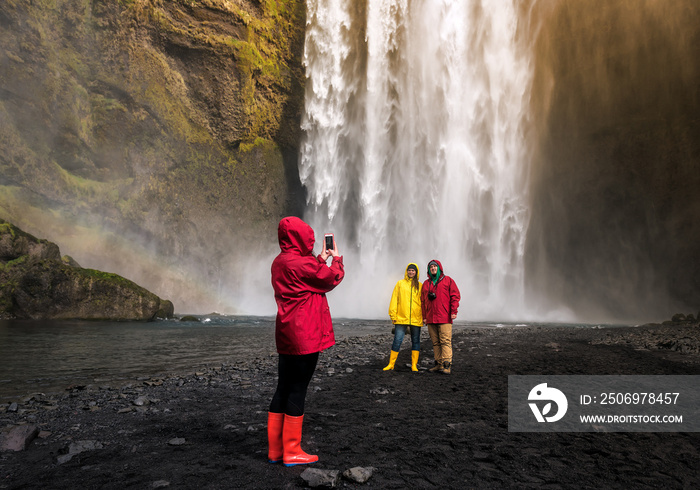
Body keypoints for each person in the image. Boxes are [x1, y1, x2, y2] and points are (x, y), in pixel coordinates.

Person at [267, 216, 344, 466]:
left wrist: (319, 258)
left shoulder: (280, 262)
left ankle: (276, 450)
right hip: (306, 334)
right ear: (300, 237)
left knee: (283, 387)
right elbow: (329, 278)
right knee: (299, 388)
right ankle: (292, 451)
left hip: (287, 333)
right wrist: (337, 259)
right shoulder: (301, 265)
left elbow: (308, 275)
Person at [421, 259, 460, 375]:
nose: (433, 268)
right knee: (435, 342)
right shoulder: (426, 284)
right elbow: (422, 301)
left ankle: (447, 365)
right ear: (428, 270)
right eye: (431, 267)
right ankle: (439, 364)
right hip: (431, 317)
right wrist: (424, 316)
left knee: (445, 341)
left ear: (439, 268)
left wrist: (454, 311)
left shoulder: (448, 280)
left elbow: (455, 296)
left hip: (444, 317)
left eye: (435, 267)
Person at [384, 263, 423, 372]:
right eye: (409, 270)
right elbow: (394, 299)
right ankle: (391, 364)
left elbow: (423, 302)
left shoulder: (420, 286)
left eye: (413, 271)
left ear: (416, 272)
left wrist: (424, 316)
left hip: (416, 318)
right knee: (397, 340)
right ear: (406, 271)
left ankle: (414, 365)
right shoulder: (400, 284)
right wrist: (393, 314)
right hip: (401, 317)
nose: (411, 272)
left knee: (415, 341)